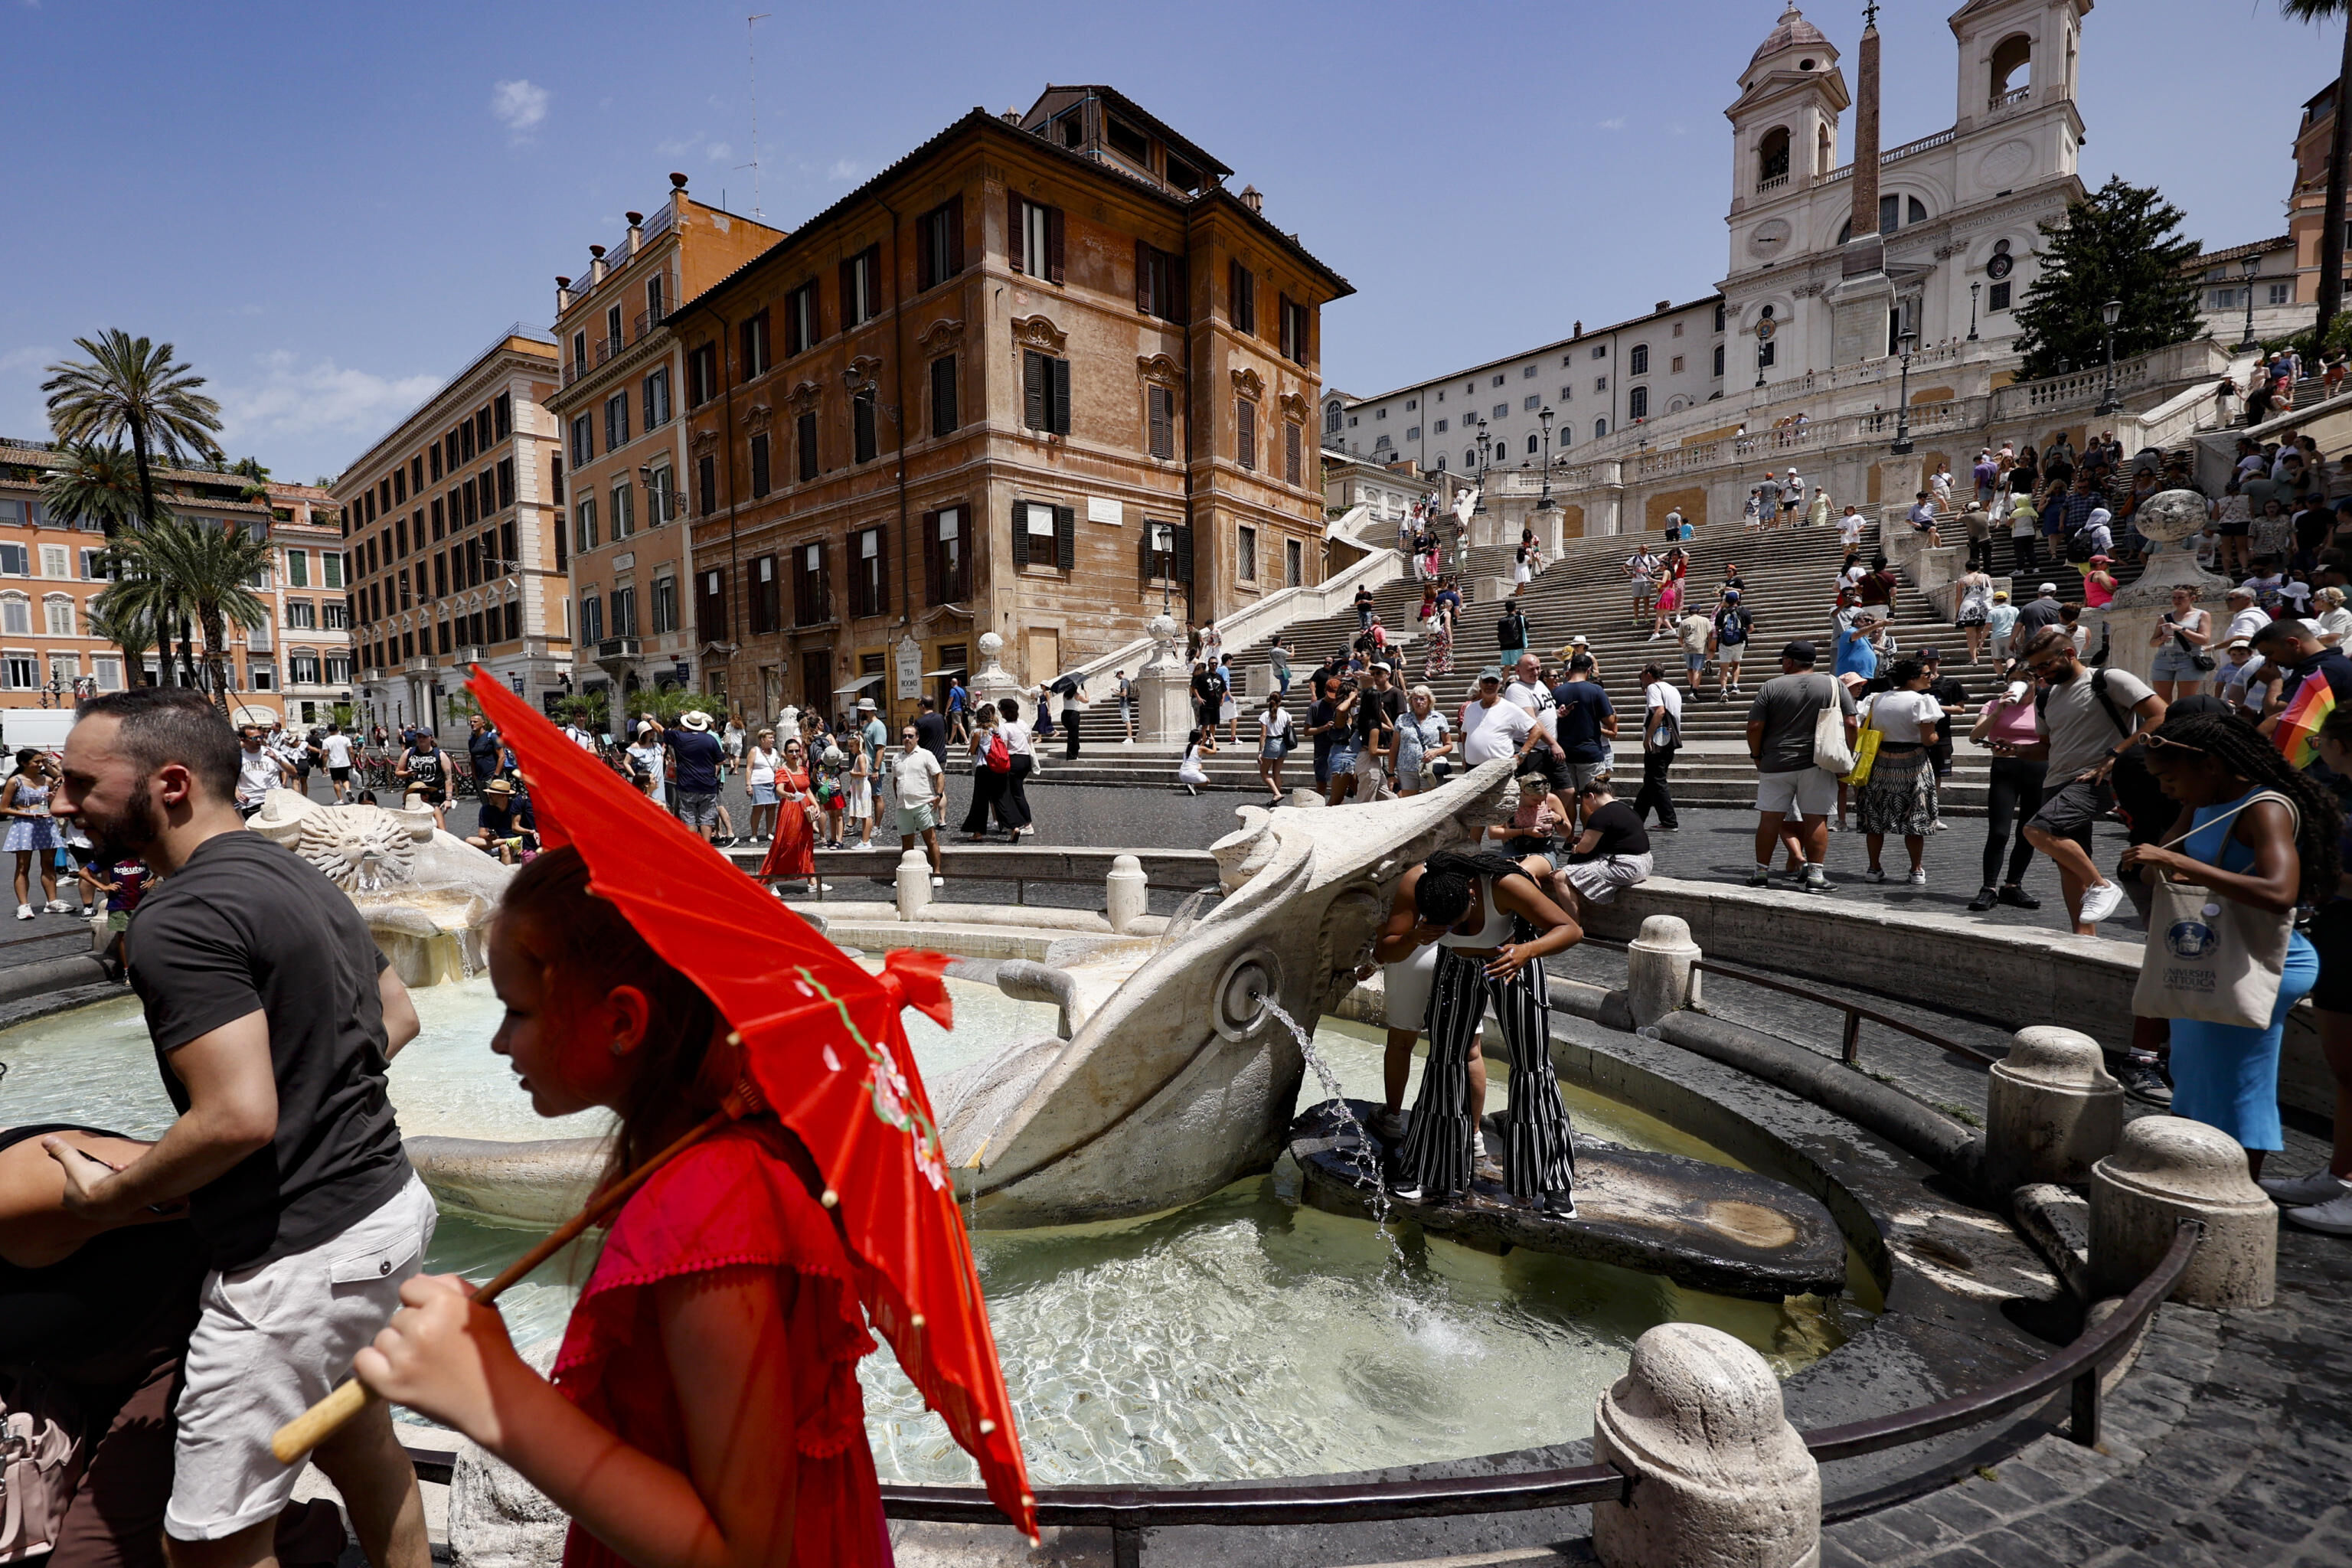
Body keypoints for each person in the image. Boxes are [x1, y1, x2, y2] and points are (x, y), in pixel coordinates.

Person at [354, 846, 905, 1567]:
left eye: (518, 1011)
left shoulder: (709, 1207)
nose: (499, 1041)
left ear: (622, 1020)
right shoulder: (690, 1171)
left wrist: (495, 1397)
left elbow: (746, 1551)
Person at [47, 686, 434, 1568]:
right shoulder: (291, 871)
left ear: (170, 782)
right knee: (361, 1443)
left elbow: (235, 1117)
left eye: (79, 782)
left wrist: (110, 1197)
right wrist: (320, 1094)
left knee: (210, 1542)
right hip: (384, 1210)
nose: (61, 801)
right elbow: (397, 1014)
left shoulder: (175, 918)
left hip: (290, 1256)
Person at [0, 1121, 351, 1568]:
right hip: (77, 1371)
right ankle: (278, 1529)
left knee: (92, 1557)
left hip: (181, 1352)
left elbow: (247, 1168)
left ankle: (300, 1537)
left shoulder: (25, 1182)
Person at [2122, 711, 2338, 1178]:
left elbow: (2281, 892)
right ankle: (2193, 1172)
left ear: (2210, 765)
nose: (2165, 789)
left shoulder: (2265, 807)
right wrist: (2166, 856)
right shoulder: (2202, 802)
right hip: (2213, 953)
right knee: (2195, 1073)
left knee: (2240, 1081)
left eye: (2171, 778)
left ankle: (2239, 1187)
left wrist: (2179, 864)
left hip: (2257, 958)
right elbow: (2153, 867)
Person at [1374, 851, 1583, 1211]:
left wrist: (1527, 951)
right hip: (1456, 967)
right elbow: (1385, 950)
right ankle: (1432, 1168)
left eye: (1457, 922)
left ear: (1471, 896)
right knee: (1443, 1061)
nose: (1454, 931)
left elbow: (1571, 930)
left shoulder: (1505, 885)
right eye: (1445, 928)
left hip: (1513, 960)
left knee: (1531, 1067)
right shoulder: (1418, 882)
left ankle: (1550, 1182)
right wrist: (1414, 937)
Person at [2264, 701, 2352, 1229]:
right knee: (2345, 1070)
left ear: (2341, 744)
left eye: (2323, 742)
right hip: (2339, 934)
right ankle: (2339, 1173)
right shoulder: (2339, 794)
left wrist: (2323, 876)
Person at [2019, 626, 2167, 933]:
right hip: (2056, 780)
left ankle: (2101, 885)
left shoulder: (2108, 680)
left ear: (2070, 653)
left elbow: (2161, 715)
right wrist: (2015, 751)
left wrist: (2118, 752)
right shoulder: (2045, 697)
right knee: (2069, 862)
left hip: (2098, 777)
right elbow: (2047, 748)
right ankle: (2082, 935)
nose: (2040, 673)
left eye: (2045, 665)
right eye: (2034, 669)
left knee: (2037, 830)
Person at [1746, 640, 1857, 894]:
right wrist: (1847, 756)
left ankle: (1760, 873)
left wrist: (1757, 755)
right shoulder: (1833, 683)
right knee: (1816, 818)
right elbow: (1851, 724)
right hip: (1818, 762)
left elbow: (1754, 727)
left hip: (1776, 762)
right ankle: (1816, 876)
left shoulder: (1771, 686)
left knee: (1770, 818)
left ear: (1788, 661)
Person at [1968, 662, 2049, 913]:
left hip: (2038, 769)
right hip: (2005, 769)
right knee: (1999, 832)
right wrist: (1999, 710)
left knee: (2028, 831)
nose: (2020, 683)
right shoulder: (1995, 704)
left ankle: (2013, 885)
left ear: (2037, 682)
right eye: (2014, 678)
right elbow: (1974, 736)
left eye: (2026, 679)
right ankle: (1988, 887)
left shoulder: (2045, 706)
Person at [1855, 659, 1943, 886]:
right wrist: (1936, 737)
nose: (1930, 676)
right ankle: (1916, 869)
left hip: (1880, 761)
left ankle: (1874, 868)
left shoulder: (1876, 699)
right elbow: (1928, 738)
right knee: (1915, 816)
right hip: (1913, 762)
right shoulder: (1923, 701)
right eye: (1926, 674)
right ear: (1912, 678)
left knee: (1874, 817)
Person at [1537, 777, 1653, 918]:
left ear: (1591, 796)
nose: (1589, 809)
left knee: (1560, 877)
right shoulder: (1626, 808)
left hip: (1626, 866)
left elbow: (1584, 849)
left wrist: (1576, 848)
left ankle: (1572, 924)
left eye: (1587, 805)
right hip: (1645, 863)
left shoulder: (1600, 815)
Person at [1549, 654, 1616, 818]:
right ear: (1589, 670)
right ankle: (1588, 836)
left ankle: (1569, 836)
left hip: (1563, 752)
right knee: (1590, 797)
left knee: (1568, 796)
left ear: (1569, 670)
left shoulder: (1556, 691)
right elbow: (1609, 721)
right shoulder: (1595, 690)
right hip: (1589, 752)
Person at [758, 737, 824, 896]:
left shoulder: (802, 769)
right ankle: (771, 880)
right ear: (785, 754)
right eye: (791, 751)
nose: (794, 754)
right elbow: (779, 789)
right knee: (786, 844)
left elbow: (807, 790)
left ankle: (811, 880)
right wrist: (787, 794)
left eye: (796, 751)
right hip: (790, 809)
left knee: (806, 843)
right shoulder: (783, 770)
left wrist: (815, 805)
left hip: (805, 809)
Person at [4, 749, 63, 919]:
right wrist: (30, 814)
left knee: (49, 864)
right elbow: (3, 808)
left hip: (45, 823)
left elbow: (57, 798)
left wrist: (52, 797)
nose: (39, 765)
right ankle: (24, 905)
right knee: (23, 866)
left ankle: (52, 901)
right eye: (36, 762)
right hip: (25, 825)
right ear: (23, 763)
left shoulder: (47, 780)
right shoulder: (15, 781)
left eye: (41, 762)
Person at [890, 723, 948, 884]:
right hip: (903, 805)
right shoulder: (896, 758)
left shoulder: (926, 754)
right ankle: (908, 873)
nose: (907, 739)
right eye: (904, 736)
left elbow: (938, 775)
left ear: (917, 738)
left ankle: (937, 873)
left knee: (931, 839)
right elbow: (895, 781)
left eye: (910, 736)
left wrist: (938, 794)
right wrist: (898, 797)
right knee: (907, 842)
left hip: (923, 803)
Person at [1632, 663, 1681, 831]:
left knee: (1657, 781)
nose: (1641, 677)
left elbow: (1659, 711)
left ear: (1649, 673)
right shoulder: (1672, 689)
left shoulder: (1654, 688)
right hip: (1669, 742)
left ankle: (1669, 821)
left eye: (1642, 674)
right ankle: (1636, 818)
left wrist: (1648, 736)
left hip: (1658, 742)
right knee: (1651, 781)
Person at [1459, 670, 1541, 769]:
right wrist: (1465, 757)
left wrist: (1522, 755)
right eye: (1486, 681)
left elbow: (1536, 730)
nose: (1489, 684)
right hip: (1471, 767)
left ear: (1499, 685)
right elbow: (1465, 733)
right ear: (1480, 683)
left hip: (1499, 768)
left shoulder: (1509, 708)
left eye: (1494, 681)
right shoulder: (1470, 708)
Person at [667, 710, 726, 846]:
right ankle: (706, 847)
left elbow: (661, 730)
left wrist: (650, 719)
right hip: (707, 785)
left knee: (689, 817)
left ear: (686, 725)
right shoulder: (710, 739)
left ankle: (693, 847)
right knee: (707, 818)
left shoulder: (679, 737)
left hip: (687, 785)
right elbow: (721, 760)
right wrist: (713, 772)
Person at [2148, 586, 2214, 701]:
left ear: (2192, 598)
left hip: (2189, 659)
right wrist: (2162, 639)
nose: (2176, 601)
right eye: (2174, 598)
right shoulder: (2165, 618)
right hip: (2164, 659)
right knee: (2161, 700)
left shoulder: (2202, 615)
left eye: (2181, 597)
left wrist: (2181, 629)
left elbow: (2204, 639)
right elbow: (2152, 643)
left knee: (2186, 700)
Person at [1394, 685, 1452, 796]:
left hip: (1429, 768)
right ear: (1411, 701)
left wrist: (1435, 752)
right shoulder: (1402, 719)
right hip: (1406, 768)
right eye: (1415, 699)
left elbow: (1449, 745)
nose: (1418, 702)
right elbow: (1395, 747)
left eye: (1422, 699)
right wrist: (1391, 773)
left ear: (1429, 700)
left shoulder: (1439, 718)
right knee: (1408, 804)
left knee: (1431, 801)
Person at [466, 779, 539, 863]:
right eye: (489, 793)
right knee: (469, 840)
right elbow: (482, 833)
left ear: (503, 796)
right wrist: (489, 836)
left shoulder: (516, 807)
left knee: (505, 848)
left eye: (493, 794)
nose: (489, 796)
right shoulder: (485, 809)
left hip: (516, 842)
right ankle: (507, 841)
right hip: (498, 841)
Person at [397, 727, 454, 831]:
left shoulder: (440, 755)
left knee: (436, 825)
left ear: (431, 738)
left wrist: (448, 799)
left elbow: (448, 778)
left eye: (424, 737)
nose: (421, 739)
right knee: (413, 825)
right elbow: (398, 772)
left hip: (435, 796)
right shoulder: (409, 753)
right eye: (419, 737)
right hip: (414, 794)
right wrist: (407, 774)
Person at [997, 697, 1036, 836]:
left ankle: (1027, 824)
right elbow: (1030, 741)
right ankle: (1018, 822)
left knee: (1015, 793)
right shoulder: (1023, 724)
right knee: (1016, 791)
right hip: (1025, 759)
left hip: (1013, 760)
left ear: (1004, 712)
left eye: (1000, 710)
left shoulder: (1005, 727)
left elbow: (1004, 747)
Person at [1711, 590, 1753, 701]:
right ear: (1738, 600)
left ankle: (1723, 690)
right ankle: (1734, 686)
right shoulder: (1744, 611)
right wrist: (1741, 634)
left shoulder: (1722, 613)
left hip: (1725, 643)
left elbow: (1717, 628)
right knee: (1736, 664)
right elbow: (1751, 628)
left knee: (1724, 668)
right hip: (1739, 643)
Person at [744, 727, 782, 844]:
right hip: (758, 783)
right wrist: (748, 784)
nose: (773, 740)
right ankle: (754, 833)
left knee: (771, 809)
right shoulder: (754, 751)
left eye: (773, 738)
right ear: (762, 739)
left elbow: (778, 765)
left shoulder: (775, 751)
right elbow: (749, 768)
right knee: (758, 809)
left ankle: (769, 832)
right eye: (770, 738)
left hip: (772, 783)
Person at [1955, 566, 1994, 665]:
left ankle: (1974, 658)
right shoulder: (1985, 577)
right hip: (1982, 606)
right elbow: (1990, 592)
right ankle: (1976, 651)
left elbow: (1958, 599)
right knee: (1978, 632)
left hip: (1967, 607)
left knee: (1970, 635)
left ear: (1967, 569)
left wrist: (1957, 612)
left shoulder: (1961, 580)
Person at [465, 713, 504, 796]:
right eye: (471, 722)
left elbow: (502, 756)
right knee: (485, 805)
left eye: (475, 722)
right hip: (480, 778)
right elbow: (473, 759)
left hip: (492, 777)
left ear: (483, 723)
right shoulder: (471, 740)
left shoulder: (492, 737)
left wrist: (496, 774)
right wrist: (474, 776)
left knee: (496, 803)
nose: (472, 724)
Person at [318, 723, 356, 804]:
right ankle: (348, 790)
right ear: (338, 729)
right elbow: (351, 751)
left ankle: (340, 799)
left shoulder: (326, 741)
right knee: (345, 779)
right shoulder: (345, 739)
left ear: (328, 730)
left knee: (336, 781)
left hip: (334, 764)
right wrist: (353, 761)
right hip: (345, 762)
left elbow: (325, 754)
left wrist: (324, 765)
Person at [1189, 660, 1221, 754]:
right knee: (1203, 723)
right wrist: (1199, 698)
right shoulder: (1201, 677)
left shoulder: (1196, 676)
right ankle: (1202, 742)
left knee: (1203, 723)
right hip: (1201, 702)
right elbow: (1193, 688)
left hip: (1200, 701)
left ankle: (1205, 742)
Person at [915, 695, 950, 773]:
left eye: (919, 705)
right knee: (940, 783)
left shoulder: (919, 722)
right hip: (941, 758)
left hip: (926, 760)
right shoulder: (941, 718)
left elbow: (915, 742)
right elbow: (946, 736)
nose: (919, 707)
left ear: (923, 706)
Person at [1496, 601, 1530, 668]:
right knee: (1517, 666)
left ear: (1506, 609)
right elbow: (1526, 627)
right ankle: (1517, 679)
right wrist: (1523, 616)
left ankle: (1505, 679)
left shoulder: (1501, 620)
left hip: (1504, 646)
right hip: (1516, 645)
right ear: (1515, 608)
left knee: (1507, 667)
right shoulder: (1519, 618)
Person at [1177, 727, 1210, 795]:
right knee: (1207, 781)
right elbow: (1214, 751)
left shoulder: (1188, 747)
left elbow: (1197, 749)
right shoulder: (1198, 748)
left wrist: (1203, 742)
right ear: (1198, 739)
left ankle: (1192, 786)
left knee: (1199, 765)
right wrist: (1213, 741)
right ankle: (1193, 785)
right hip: (1191, 773)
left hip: (1181, 774)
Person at [946, 674, 970, 743]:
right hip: (960, 710)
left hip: (955, 710)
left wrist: (947, 709)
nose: (950, 683)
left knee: (959, 725)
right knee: (954, 726)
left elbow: (950, 700)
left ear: (952, 683)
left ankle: (966, 740)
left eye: (951, 682)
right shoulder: (962, 690)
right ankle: (950, 741)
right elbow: (965, 699)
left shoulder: (953, 690)